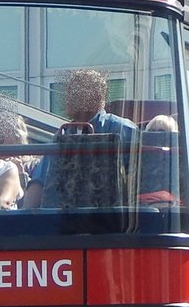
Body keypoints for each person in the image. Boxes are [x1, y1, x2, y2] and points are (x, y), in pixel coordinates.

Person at [24, 68, 136, 209]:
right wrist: (25, 216)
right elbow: (39, 181)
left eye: (76, 91)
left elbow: (139, 177)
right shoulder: (62, 135)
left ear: (96, 96)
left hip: (110, 217)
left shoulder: (122, 129)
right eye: (69, 92)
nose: (68, 98)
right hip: (62, 218)